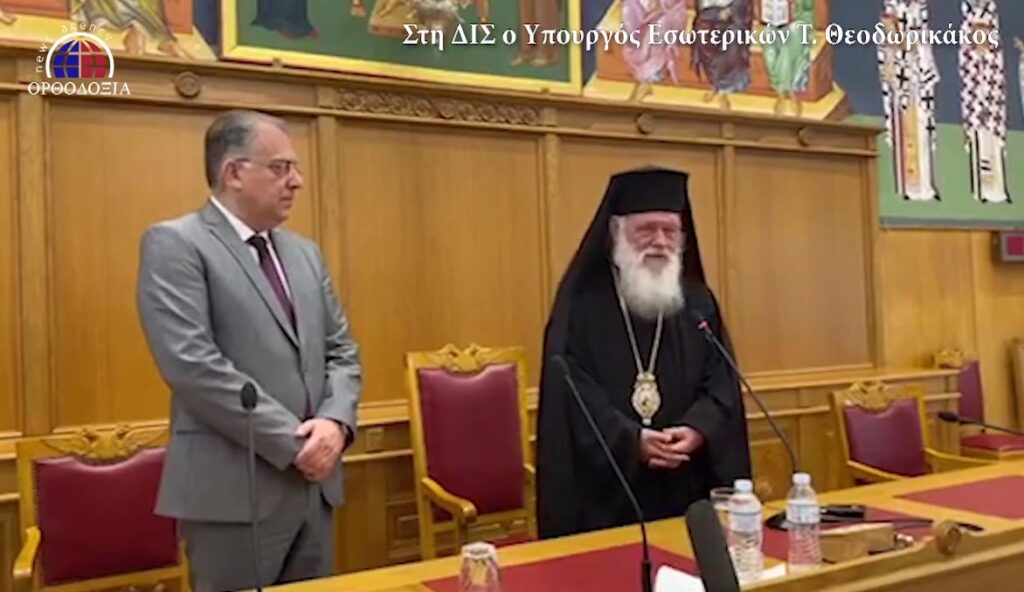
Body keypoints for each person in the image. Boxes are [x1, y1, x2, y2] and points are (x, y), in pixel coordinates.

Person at [136, 110, 361, 590]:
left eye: (295, 168)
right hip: (232, 497)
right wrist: (299, 445)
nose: (296, 181)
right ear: (233, 172)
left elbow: (341, 350)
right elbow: (194, 367)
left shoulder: (304, 253)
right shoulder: (176, 244)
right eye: (281, 168)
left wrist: (336, 424)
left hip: (315, 492)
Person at [535, 166, 750, 539]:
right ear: (616, 232)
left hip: (687, 489)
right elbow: (570, 394)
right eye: (646, 230)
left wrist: (698, 428)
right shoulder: (582, 305)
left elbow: (722, 380)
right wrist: (630, 440)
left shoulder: (697, 303)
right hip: (607, 498)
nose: (660, 241)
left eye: (670, 231)